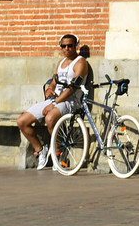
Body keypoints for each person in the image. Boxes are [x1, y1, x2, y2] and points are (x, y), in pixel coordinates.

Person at [17, 33, 89, 170]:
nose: (67, 48)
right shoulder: (61, 63)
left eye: (70, 45)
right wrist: (49, 89)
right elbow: (54, 82)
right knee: (22, 121)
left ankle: (58, 153)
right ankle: (40, 150)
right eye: (64, 46)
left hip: (71, 101)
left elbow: (72, 88)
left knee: (50, 118)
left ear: (76, 46)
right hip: (54, 99)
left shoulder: (80, 63)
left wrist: (54, 104)